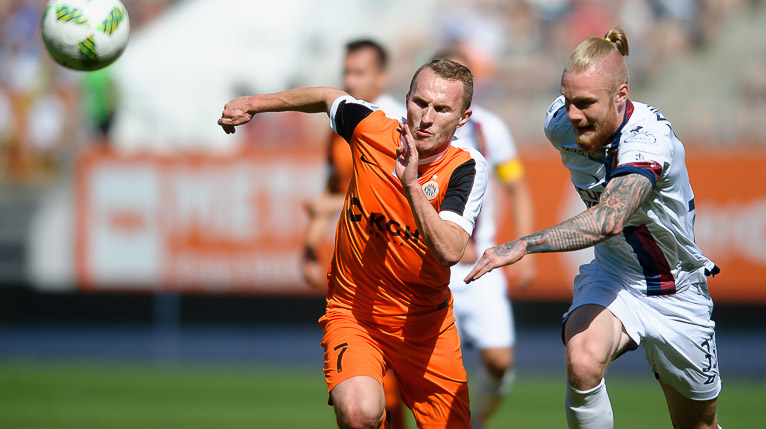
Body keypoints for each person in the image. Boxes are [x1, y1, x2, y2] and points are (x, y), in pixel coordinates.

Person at [465, 27, 722, 429]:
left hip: (676, 289)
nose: (573, 115)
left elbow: (609, 219)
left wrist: (523, 245)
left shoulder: (650, 140)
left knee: (697, 426)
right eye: (567, 100)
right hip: (614, 275)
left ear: (622, 95)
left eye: (585, 104)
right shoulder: (559, 123)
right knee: (582, 361)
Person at [219, 58, 488, 429]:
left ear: (462, 118)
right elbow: (327, 97)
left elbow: (450, 251)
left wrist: (411, 185)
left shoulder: (466, 168)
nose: (426, 118)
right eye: (420, 103)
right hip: (354, 312)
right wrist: (254, 104)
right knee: (360, 414)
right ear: (406, 98)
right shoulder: (372, 127)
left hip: (425, 327)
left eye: (442, 109)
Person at [301, 41, 409, 429]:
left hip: (393, 264)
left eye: (359, 72)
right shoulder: (340, 124)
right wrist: (310, 245)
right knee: (365, 390)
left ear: (382, 75)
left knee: (391, 384)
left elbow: (395, 200)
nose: (349, 80)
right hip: (351, 265)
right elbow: (334, 186)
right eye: (346, 72)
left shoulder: (399, 125)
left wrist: (329, 206)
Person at [436, 49, 536, 428]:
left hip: (480, 267)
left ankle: (476, 422)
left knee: (499, 361)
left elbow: (516, 187)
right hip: (431, 265)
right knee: (426, 365)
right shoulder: (414, 128)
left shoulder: (489, 130)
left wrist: (526, 250)